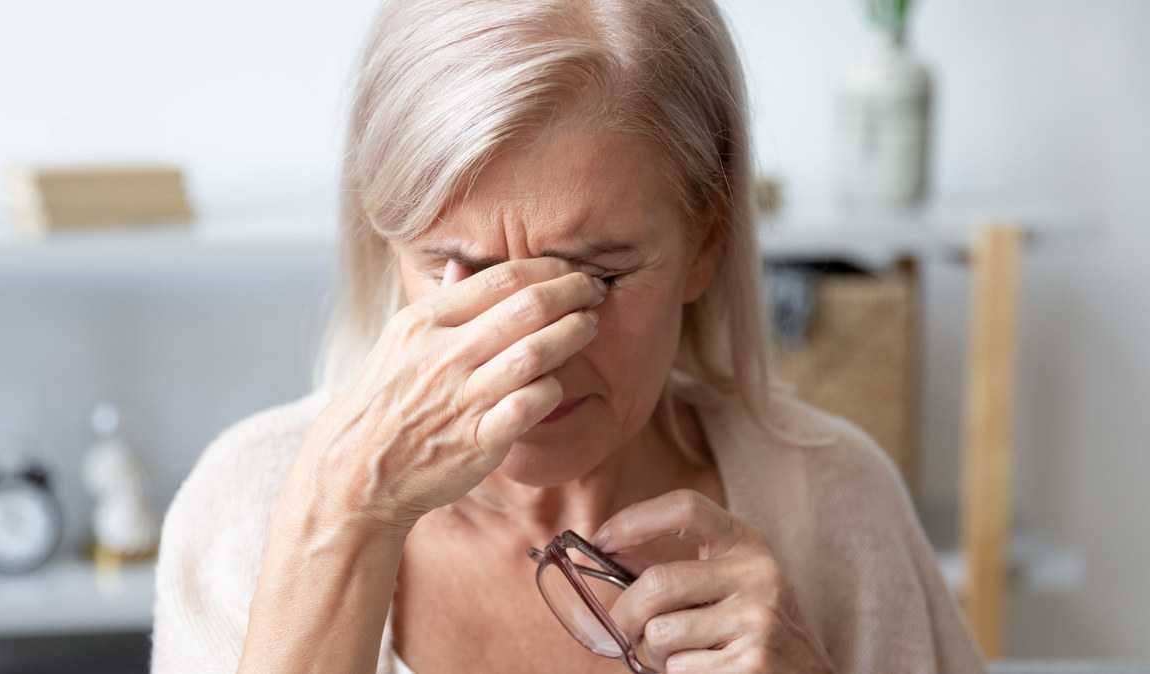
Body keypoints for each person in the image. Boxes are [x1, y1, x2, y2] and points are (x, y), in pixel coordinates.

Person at [152, 0, 985, 672]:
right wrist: (342, 522)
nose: (528, 357)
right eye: (459, 268)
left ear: (705, 238)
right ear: (386, 239)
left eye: (596, 278)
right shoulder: (248, 509)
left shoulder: (835, 505)